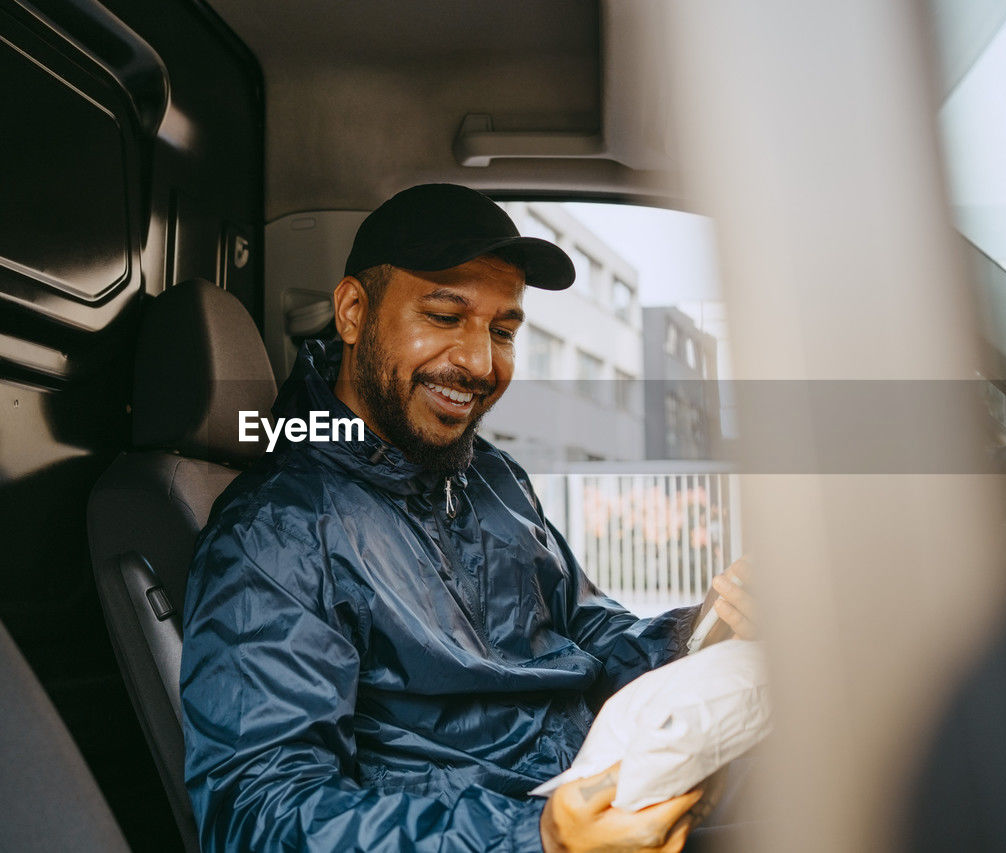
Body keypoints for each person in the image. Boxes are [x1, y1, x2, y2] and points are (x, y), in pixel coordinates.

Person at [180, 184, 757, 852]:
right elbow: (259, 814)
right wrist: (537, 837)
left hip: (608, 800)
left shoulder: (492, 478)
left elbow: (592, 635)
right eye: (446, 316)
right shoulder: (277, 530)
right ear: (352, 312)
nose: (481, 362)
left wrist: (705, 629)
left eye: (503, 331)